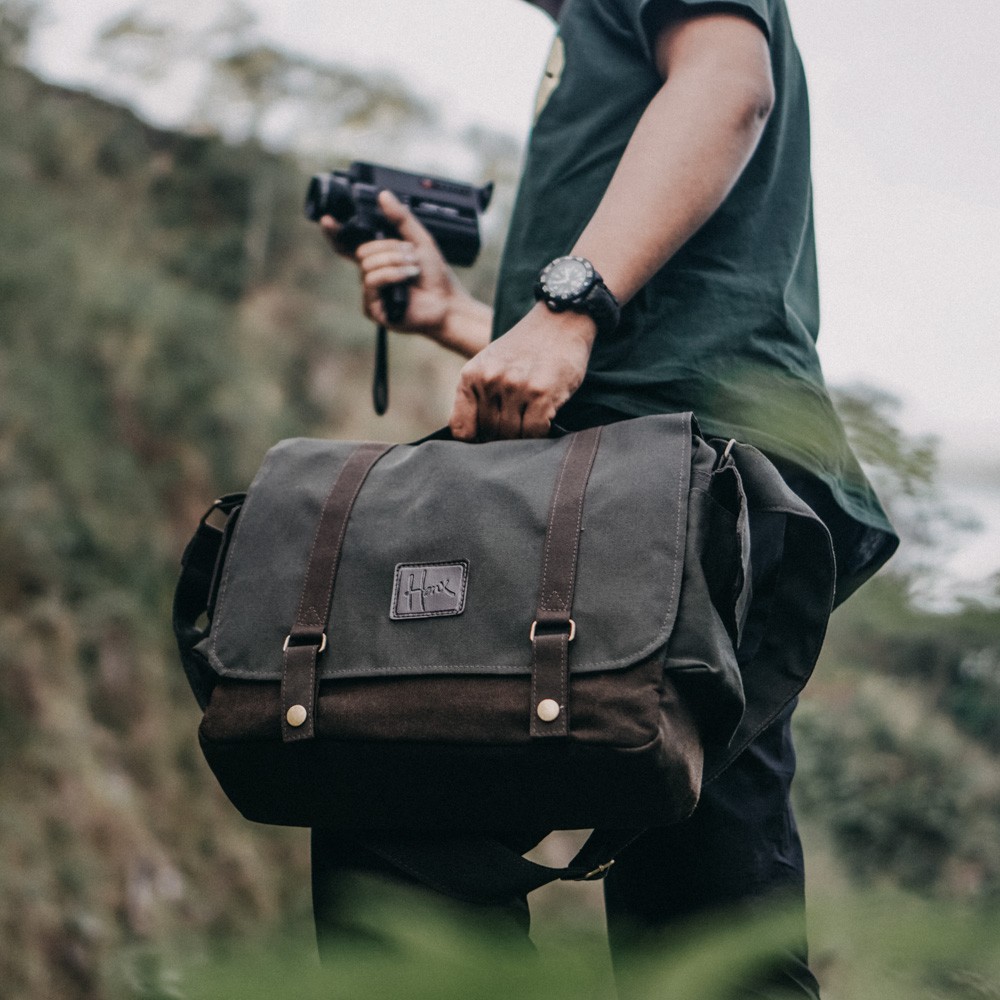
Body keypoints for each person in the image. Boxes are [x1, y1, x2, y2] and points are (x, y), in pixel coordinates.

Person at [316, 0, 898, 995]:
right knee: (702, 885)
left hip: (662, 471)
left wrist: (565, 307)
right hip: (655, 464)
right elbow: (652, 327)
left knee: (401, 768)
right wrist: (460, 316)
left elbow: (726, 84)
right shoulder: (586, 30)